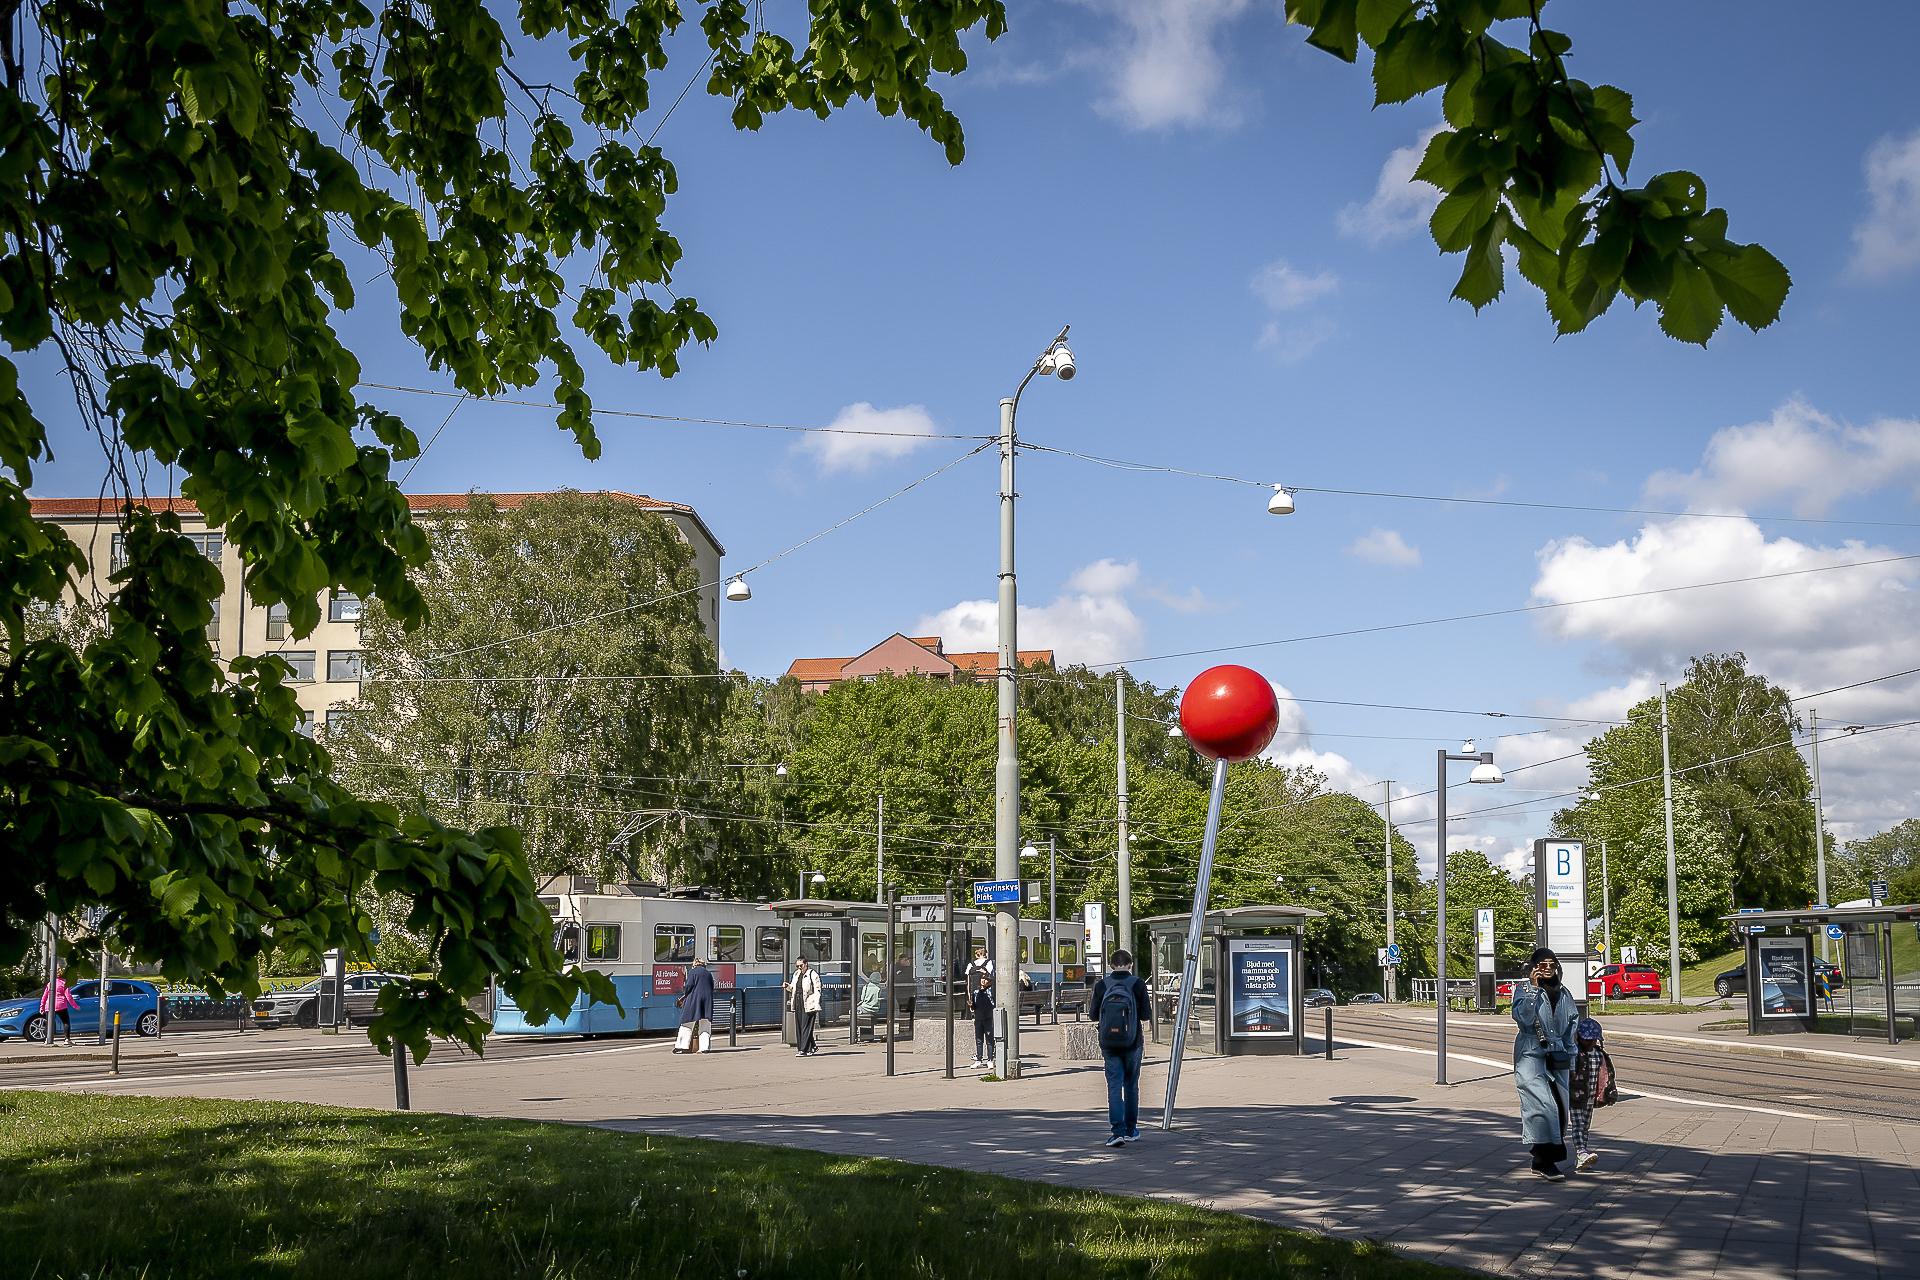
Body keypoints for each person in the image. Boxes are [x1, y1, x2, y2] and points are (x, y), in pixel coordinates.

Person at [1511, 946, 1580, 1180]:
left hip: (1558, 1054)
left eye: (1552, 964)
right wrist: (1532, 990)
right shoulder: (1523, 990)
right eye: (1542, 964)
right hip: (1531, 1053)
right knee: (1542, 1106)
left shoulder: (1564, 993)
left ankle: (1541, 1159)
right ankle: (1545, 1161)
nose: (1547, 968)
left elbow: (1572, 1025)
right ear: (1533, 967)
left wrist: (1572, 1059)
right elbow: (1522, 1018)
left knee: (1560, 1109)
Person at [1091, 950, 1153, 1149]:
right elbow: (1145, 1015)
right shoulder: (1138, 983)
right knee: (1131, 1085)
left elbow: (1093, 1015)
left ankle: (1116, 1132)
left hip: (1109, 1043)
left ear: (1111, 965)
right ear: (1130, 964)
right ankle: (1131, 1129)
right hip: (1133, 1042)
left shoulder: (1101, 985)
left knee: (1114, 1086)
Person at [1567, 1016, 1606, 1171]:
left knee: (1585, 1126)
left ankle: (1581, 1156)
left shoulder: (1598, 1054)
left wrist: (1603, 1094)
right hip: (1575, 1096)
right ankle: (1581, 1151)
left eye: (1593, 1040)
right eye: (1587, 1040)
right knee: (1577, 1124)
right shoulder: (1574, 1053)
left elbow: (1604, 1076)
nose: (1591, 1043)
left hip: (1589, 1097)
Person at [673, 958, 716, 1054]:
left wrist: (684, 995)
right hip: (707, 1001)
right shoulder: (708, 973)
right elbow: (712, 987)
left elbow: (688, 986)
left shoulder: (693, 972)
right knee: (705, 1024)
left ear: (695, 964)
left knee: (687, 1023)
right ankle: (704, 1048)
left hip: (694, 1000)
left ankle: (682, 1046)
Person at [785, 956, 821, 1057]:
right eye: (797, 966)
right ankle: (812, 1047)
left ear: (806, 964)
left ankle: (803, 1049)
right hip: (798, 1001)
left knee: (806, 1026)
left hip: (809, 1003)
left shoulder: (812, 974)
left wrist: (816, 1004)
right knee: (800, 1026)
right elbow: (793, 988)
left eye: (801, 966)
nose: (799, 968)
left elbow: (817, 990)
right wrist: (787, 986)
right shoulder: (796, 974)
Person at [38, 969, 76, 1045]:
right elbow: (68, 996)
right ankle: (67, 1039)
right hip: (61, 1005)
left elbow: (44, 996)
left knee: (49, 1023)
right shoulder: (64, 983)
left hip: (49, 1005)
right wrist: (75, 1006)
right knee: (66, 1022)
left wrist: (41, 1007)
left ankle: (47, 1039)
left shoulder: (50, 983)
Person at [969, 970, 996, 1068]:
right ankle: (979, 1059)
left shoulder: (991, 991)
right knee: (979, 1040)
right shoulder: (976, 992)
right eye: (983, 979)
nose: (984, 981)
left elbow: (993, 1004)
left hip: (988, 1018)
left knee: (989, 1040)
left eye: (986, 980)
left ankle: (990, 1059)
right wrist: (972, 1005)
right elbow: (974, 1006)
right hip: (978, 1019)